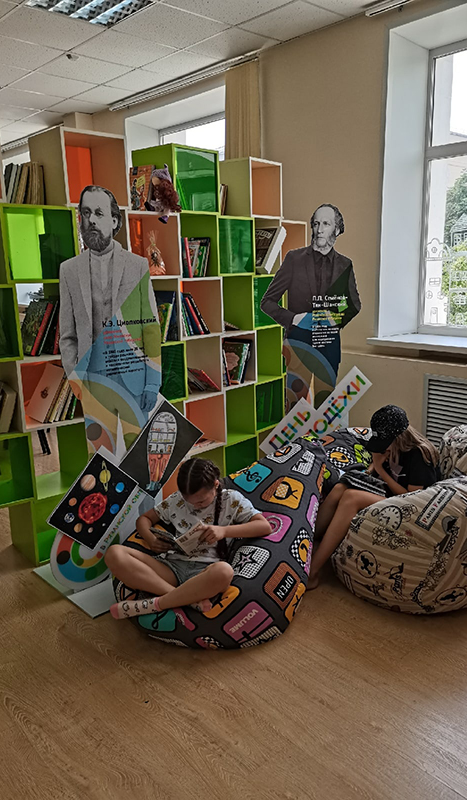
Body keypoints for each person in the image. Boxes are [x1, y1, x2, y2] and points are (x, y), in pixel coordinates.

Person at [59, 185, 161, 453]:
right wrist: (75, 378)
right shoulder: (69, 271)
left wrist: (153, 382)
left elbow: (151, 327)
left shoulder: (137, 265)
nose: (91, 220)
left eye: (99, 213)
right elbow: (67, 335)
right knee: (99, 458)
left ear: (114, 221)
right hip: (93, 383)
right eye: (86, 213)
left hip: (135, 381)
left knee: (139, 456)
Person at [107, 458, 272, 618]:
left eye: (201, 501)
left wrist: (223, 531)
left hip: (204, 573)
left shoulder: (232, 499)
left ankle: (157, 603)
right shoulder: (176, 500)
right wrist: (151, 539)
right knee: (114, 553)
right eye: (189, 501)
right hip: (172, 567)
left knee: (224, 571)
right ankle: (186, 600)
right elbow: (144, 519)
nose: (194, 506)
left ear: (215, 485)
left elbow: (264, 526)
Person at [308, 405, 441, 589]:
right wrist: (370, 470)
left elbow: (412, 498)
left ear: (398, 438)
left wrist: (379, 468)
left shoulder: (419, 455)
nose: (381, 449)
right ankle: (308, 542)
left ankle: (313, 571)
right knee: (340, 488)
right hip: (389, 493)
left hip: (413, 507)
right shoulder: (390, 448)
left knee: (352, 497)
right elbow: (377, 467)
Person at [260, 204, 360, 408]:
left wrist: (335, 320)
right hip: (298, 346)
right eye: (316, 224)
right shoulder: (294, 259)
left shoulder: (345, 264)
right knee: (295, 408)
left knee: (325, 408)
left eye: (326, 224)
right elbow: (267, 302)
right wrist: (294, 319)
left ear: (337, 230)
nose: (319, 229)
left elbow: (353, 305)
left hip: (329, 347)